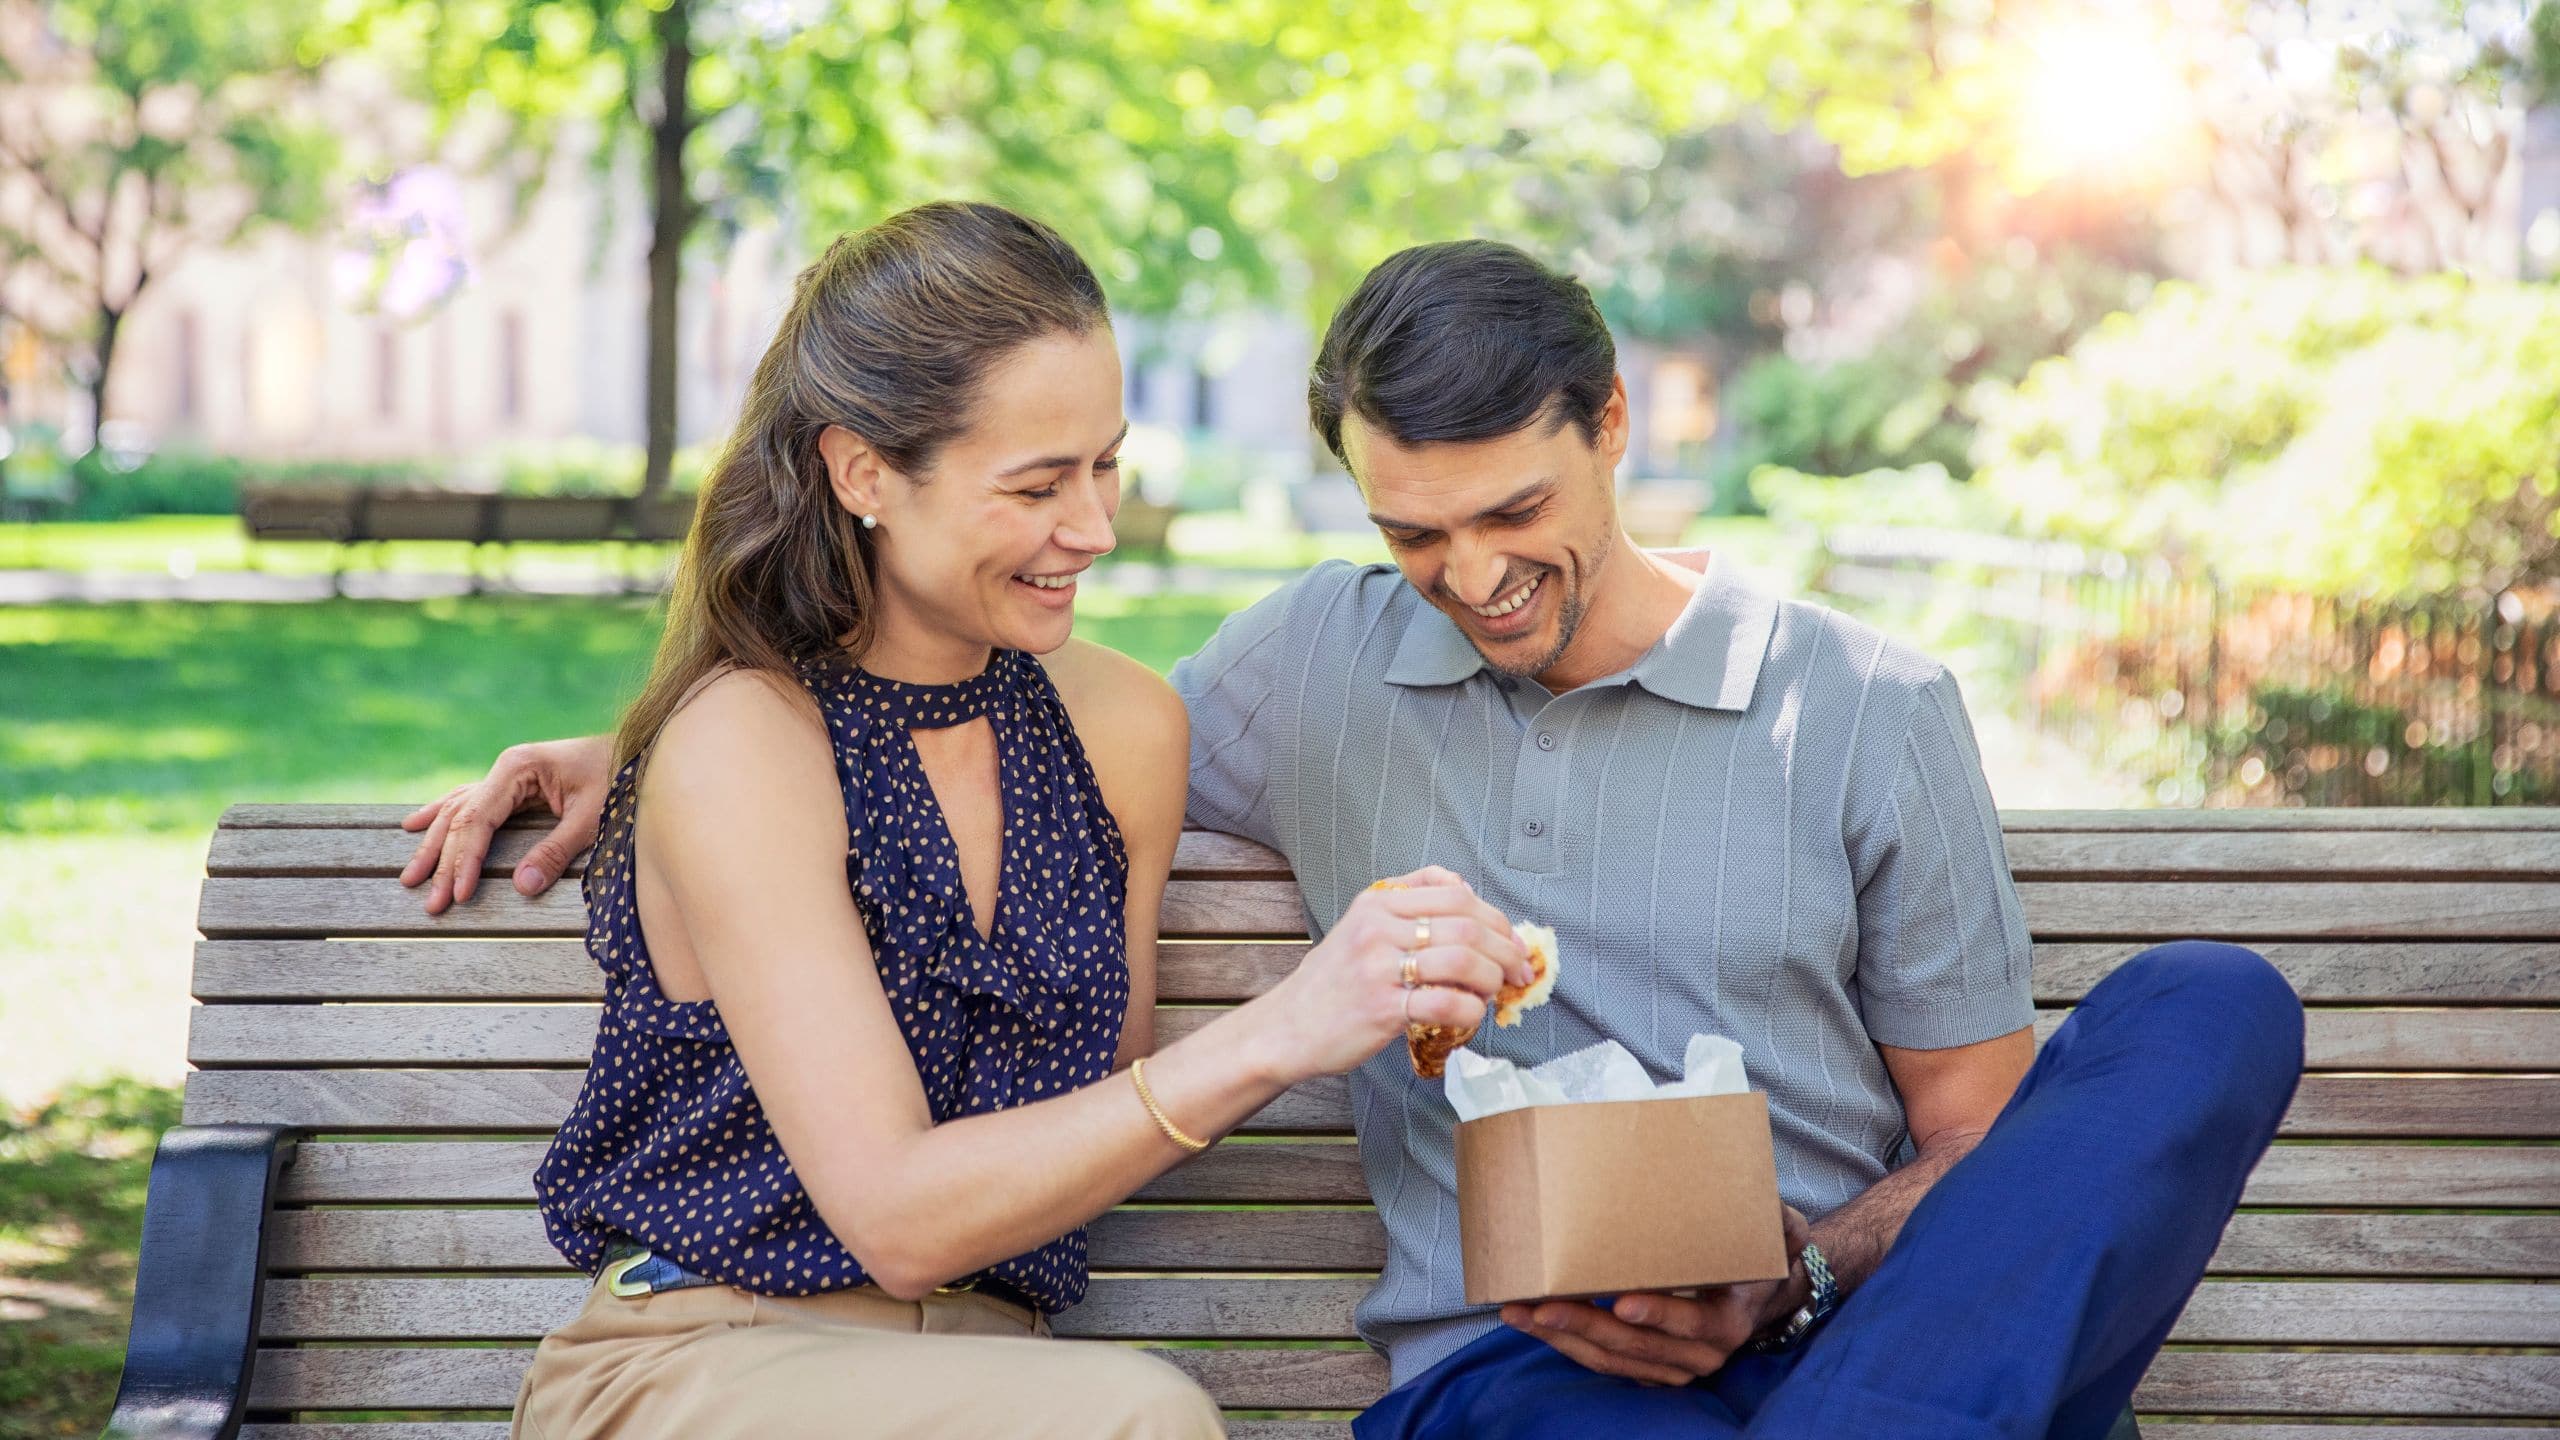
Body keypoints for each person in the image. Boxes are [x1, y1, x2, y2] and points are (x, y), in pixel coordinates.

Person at [413, 235, 2305, 1440]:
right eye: (1416, 534)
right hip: (1529, 1377)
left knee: (2209, 1005)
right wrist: (664, 739)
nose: (1474, 578)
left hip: (1845, 1326)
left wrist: (1797, 1275)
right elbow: (865, 716)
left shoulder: (1863, 705)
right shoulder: (1309, 665)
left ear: (1616, 427)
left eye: (1515, 509)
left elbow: (1981, 1147)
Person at [461, 200, 1535, 1440]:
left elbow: (1095, 1117)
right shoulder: (744, 746)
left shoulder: (1122, 730)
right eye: (1035, 485)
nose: (1091, 528)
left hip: (998, 1372)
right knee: (1139, 1419)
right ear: (862, 471)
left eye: (1104, 464)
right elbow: (900, 1219)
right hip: (702, 1359)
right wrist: (1284, 1028)